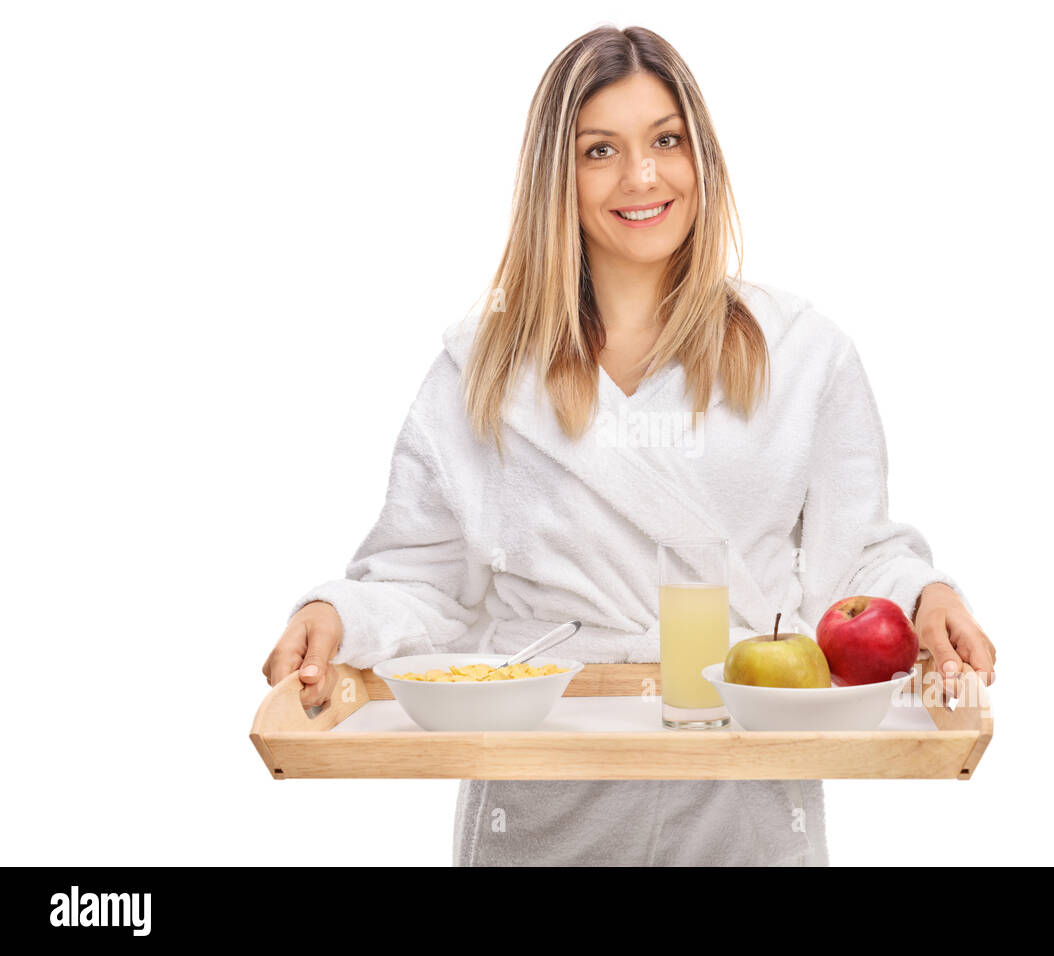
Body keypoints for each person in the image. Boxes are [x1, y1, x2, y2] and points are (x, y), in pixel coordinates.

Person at [261, 24, 996, 866]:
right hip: (544, 782)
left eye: (666, 140)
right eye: (599, 149)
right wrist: (337, 614)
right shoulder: (483, 372)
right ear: (556, 179)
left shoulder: (802, 352)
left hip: (745, 782)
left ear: (701, 158)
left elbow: (855, 564)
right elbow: (422, 584)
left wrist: (925, 598)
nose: (643, 176)